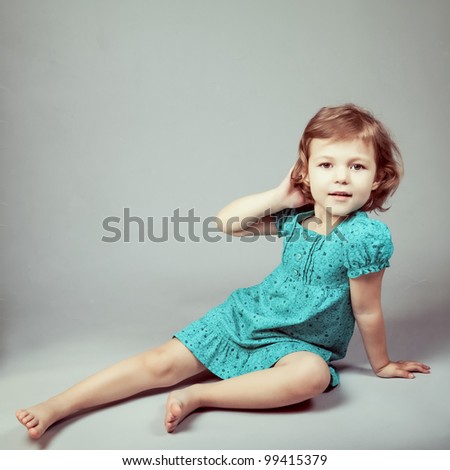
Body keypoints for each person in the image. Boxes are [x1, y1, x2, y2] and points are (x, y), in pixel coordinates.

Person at [16, 103, 430, 439]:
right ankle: (57, 405)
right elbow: (227, 223)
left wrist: (382, 364)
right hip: (248, 316)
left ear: (379, 177)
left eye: (357, 167)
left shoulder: (365, 238)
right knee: (159, 364)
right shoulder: (297, 217)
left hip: (300, 344)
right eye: (326, 165)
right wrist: (278, 194)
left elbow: (368, 310)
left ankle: (201, 395)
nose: (340, 177)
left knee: (311, 377)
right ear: (304, 172)